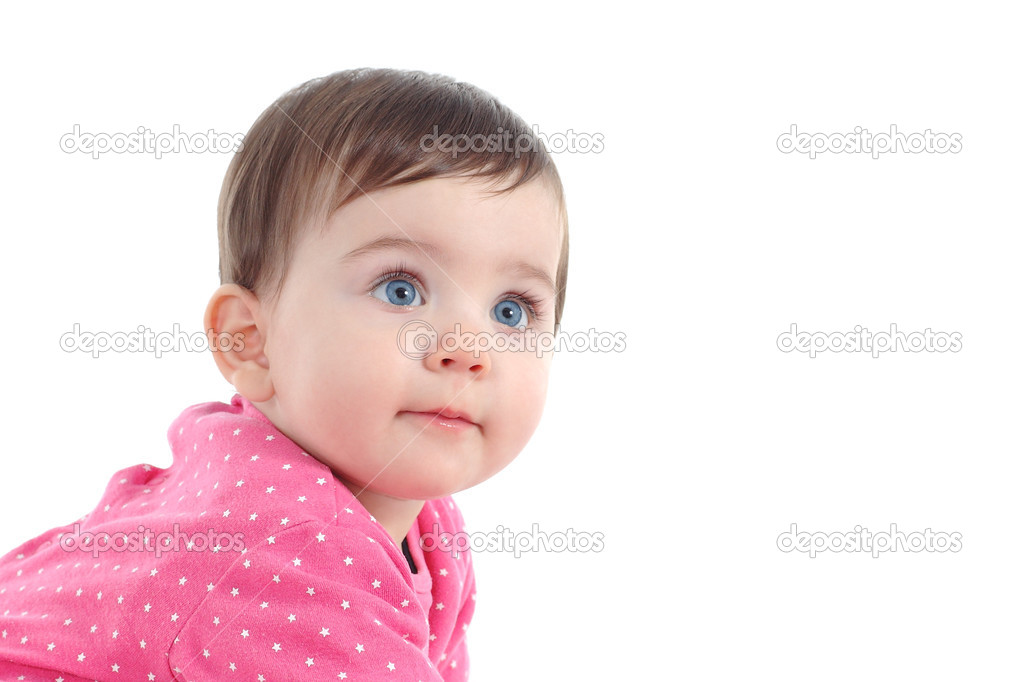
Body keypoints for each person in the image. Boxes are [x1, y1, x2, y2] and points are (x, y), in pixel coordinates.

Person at [0, 67, 569, 681]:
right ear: (252, 343)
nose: (468, 348)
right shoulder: (290, 553)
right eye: (401, 290)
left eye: (512, 310)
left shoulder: (425, 518)